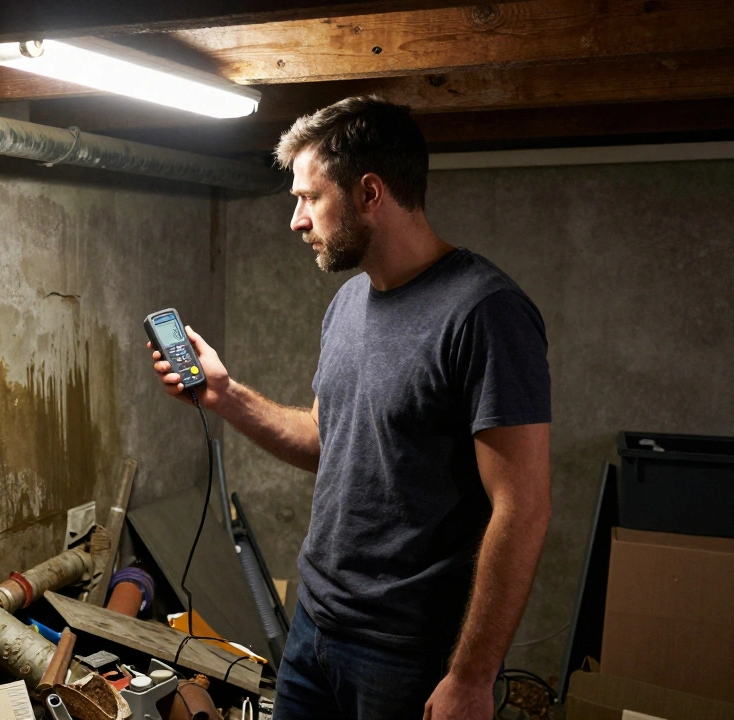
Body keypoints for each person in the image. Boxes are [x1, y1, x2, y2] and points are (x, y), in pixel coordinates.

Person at [148, 96, 552, 720]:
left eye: (309, 197)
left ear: (369, 193)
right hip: (315, 626)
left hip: (408, 655)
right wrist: (223, 397)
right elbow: (323, 439)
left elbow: (522, 506)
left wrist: (472, 676)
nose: (296, 220)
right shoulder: (349, 304)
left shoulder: (485, 313)